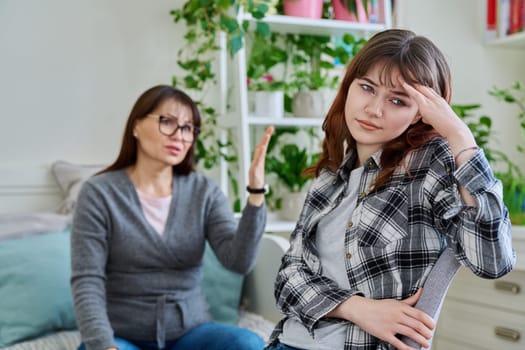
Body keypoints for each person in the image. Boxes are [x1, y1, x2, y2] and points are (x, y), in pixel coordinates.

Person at [264, 29, 516, 350]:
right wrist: (357, 308)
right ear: (349, 86)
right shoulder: (329, 177)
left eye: (398, 100)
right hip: (286, 341)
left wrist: (460, 136)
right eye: (367, 88)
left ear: (420, 113)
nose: (374, 109)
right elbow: (287, 278)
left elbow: (492, 261)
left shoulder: (429, 166)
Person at [70, 85, 274, 350]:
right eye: (167, 122)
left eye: (188, 128)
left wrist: (256, 193)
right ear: (135, 126)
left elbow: (238, 261)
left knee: (247, 343)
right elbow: (87, 280)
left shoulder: (204, 191)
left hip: (190, 332)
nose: (179, 135)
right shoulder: (99, 193)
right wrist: (104, 345)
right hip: (122, 335)